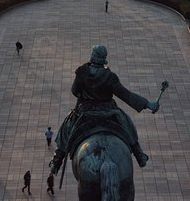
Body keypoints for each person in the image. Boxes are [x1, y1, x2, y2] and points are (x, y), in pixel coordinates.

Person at [50, 45, 158, 174]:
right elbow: (125, 95)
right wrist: (147, 104)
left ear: (92, 56)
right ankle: (139, 154)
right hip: (108, 112)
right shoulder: (110, 77)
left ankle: (57, 161)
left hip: (85, 112)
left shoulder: (81, 72)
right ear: (104, 58)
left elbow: (74, 91)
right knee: (127, 123)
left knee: (66, 127)